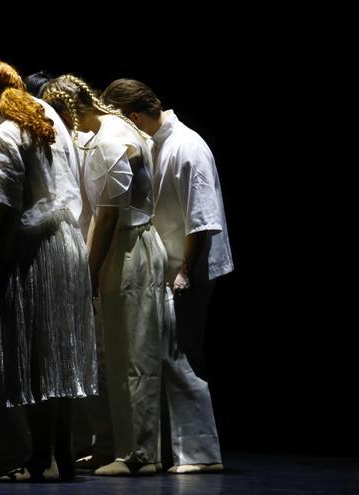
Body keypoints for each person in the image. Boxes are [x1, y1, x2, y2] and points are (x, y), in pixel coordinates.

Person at [102, 78, 231, 474]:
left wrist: (186, 271)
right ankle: (177, 450)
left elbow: (202, 220)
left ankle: (201, 453)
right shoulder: (157, 143)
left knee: (183, 356)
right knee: (166, 355)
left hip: (189, 264)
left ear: (133, 116)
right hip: (169, 263)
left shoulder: (187, 147)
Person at [0, 61, 97, 481]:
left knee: (35, 353)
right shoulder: (51, 120)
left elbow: (7, 208)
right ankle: (60, 454)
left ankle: (39, 457)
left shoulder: (6, 134)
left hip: (33, 248)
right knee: (60, 350)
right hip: (67, 242)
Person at [42, 75, 167, 476]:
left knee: (134, 352)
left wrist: (89, 271)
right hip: (120, 247)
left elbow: (110, 214)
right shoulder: (106, 131)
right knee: (108, 355)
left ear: (72, 109)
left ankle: (141, 453)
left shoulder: (113, 139)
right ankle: (112, 444)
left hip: (129, 247)